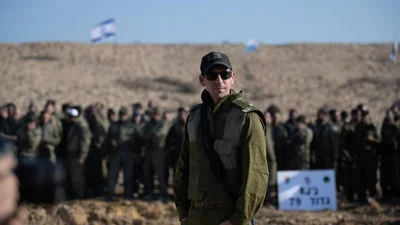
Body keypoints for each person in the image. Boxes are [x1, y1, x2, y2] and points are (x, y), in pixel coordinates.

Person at [173, 51, 268, 225]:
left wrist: (239, 219)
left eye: (224, 74)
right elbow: (184, 167)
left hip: (229, 216)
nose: (219, 81)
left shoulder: (247, 118)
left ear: (233, 77)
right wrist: (184, 214)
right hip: (195, 215)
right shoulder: (194, 118)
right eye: (212, 75)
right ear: (202, 80)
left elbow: (256, 175)